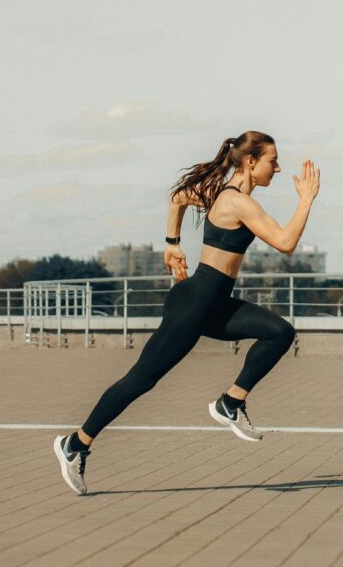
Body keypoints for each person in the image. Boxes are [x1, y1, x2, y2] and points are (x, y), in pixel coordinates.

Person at [53, 131, 320, 495]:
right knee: (141, 381)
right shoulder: (237, 202)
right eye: (273, 161)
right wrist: (306, 200)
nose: (277, 167)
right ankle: (76, 444)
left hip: (214, 303)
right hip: (194, 304)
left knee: (279, 332)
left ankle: (230, 402)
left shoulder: (223, 194)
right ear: (250, 162)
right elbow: (286, 243)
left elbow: (178, 197)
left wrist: (171, 244)